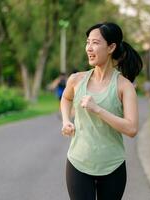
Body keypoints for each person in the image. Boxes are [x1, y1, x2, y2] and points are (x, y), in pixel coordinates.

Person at [60, 22, 142, 200]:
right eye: (88, 42)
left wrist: (98, 109)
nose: (89, 48)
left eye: (95, 43)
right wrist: (66, 120)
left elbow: (132, 129)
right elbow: (66, 98)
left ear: (111, 47)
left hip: (112, 166)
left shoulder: (124, 87)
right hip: (78, 162)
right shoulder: (76, 80)